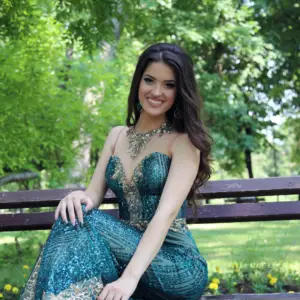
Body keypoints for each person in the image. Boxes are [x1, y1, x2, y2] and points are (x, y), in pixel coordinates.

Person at [21, 43, 213, 300]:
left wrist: (129, 279)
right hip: (123, 258)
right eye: (149, 80)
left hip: (175, 266)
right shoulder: (116, 135)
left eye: (169, 85)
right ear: (138, 83)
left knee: (84, 219)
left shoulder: (183, 142)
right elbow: (93, 195)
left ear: (180, 92)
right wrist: (77, 198)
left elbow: (164, 216)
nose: (157, 92)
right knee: (74, 214)